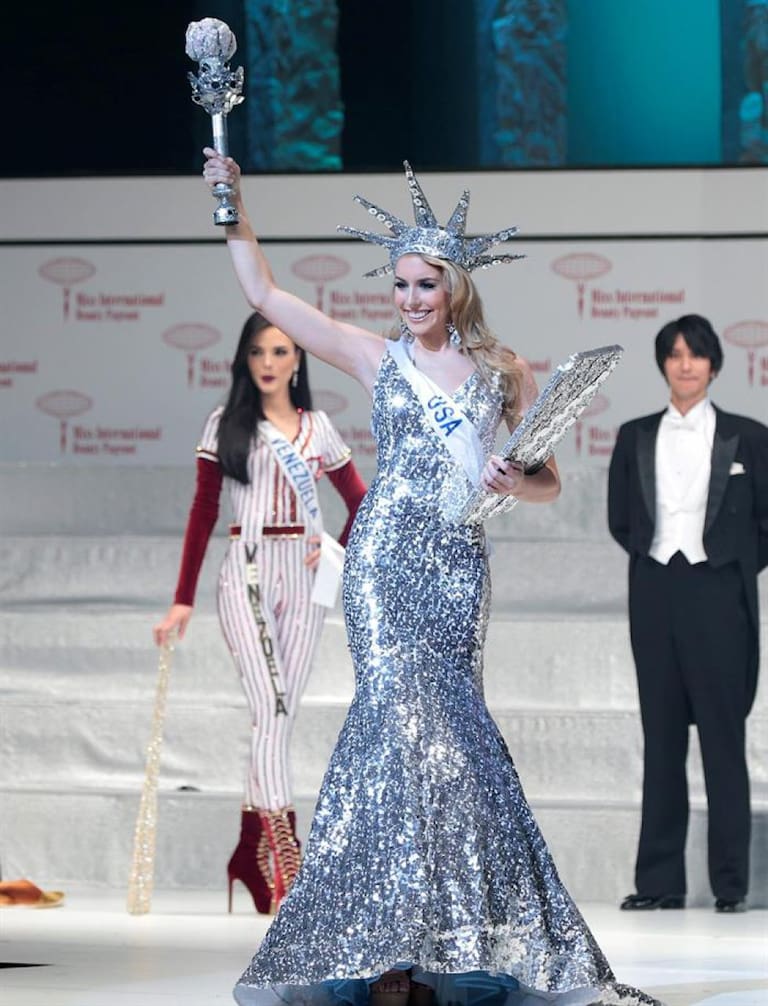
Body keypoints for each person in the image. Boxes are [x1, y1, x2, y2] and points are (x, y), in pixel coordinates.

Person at [203, 148, 661, 1006]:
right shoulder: (377, 358)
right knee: (389, 741)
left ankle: (448, 948)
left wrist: (513, 479)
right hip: (384, 567)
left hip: (457, 570)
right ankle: (380, 954)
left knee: (457, 751)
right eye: (402, 285)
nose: (412, 299)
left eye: (427, 285)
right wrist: (232, 204)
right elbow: (264, 292)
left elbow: (548, 482)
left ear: (455, 288)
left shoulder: (502, 371)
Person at [154, 311, 366, 915]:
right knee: (271, 711)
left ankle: (249, 852)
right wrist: (183, 597)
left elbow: (362, 502)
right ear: (244, 360)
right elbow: (203, 510)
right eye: (257, 352)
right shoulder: (225, 424)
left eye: (279, 351)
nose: (268, 363)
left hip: (303, 579)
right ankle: (286, 853)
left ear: (298, 360)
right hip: (245, 570)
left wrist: (334, 551)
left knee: (278, 719)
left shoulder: (318, 428)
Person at [608, 314, 768, 915]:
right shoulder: (634, 435)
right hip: (654, 591)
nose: (685, 364)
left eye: (695, 354)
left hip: (720, 593)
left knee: (724, 740)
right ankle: (659, 881)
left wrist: (727, 565)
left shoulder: (749, 437)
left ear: (714, 364)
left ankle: (731, 884)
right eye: (675, 354)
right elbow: (621, 518)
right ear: (663, 364)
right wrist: (661, 563)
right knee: (662, 737)